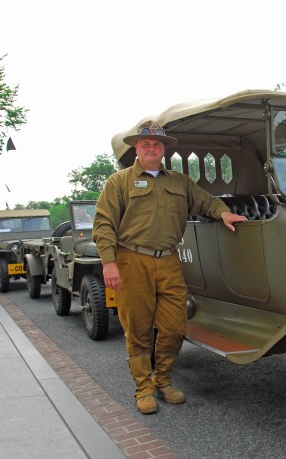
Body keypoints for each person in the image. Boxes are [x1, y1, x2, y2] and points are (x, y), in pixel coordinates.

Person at [93, 120, 247, 414]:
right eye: (146, 144)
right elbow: (104, 224)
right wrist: (109, 262)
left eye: (157, 144)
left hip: (168, 261)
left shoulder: (179, 182)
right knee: (137, 330)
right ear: (137, 148)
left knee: (174, 327)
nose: (152, 148)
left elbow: (205, 201)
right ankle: (143, 387)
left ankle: (163, 381)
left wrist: (224, 213)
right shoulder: (119, 182)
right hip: (130, 261)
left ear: (163, 149)